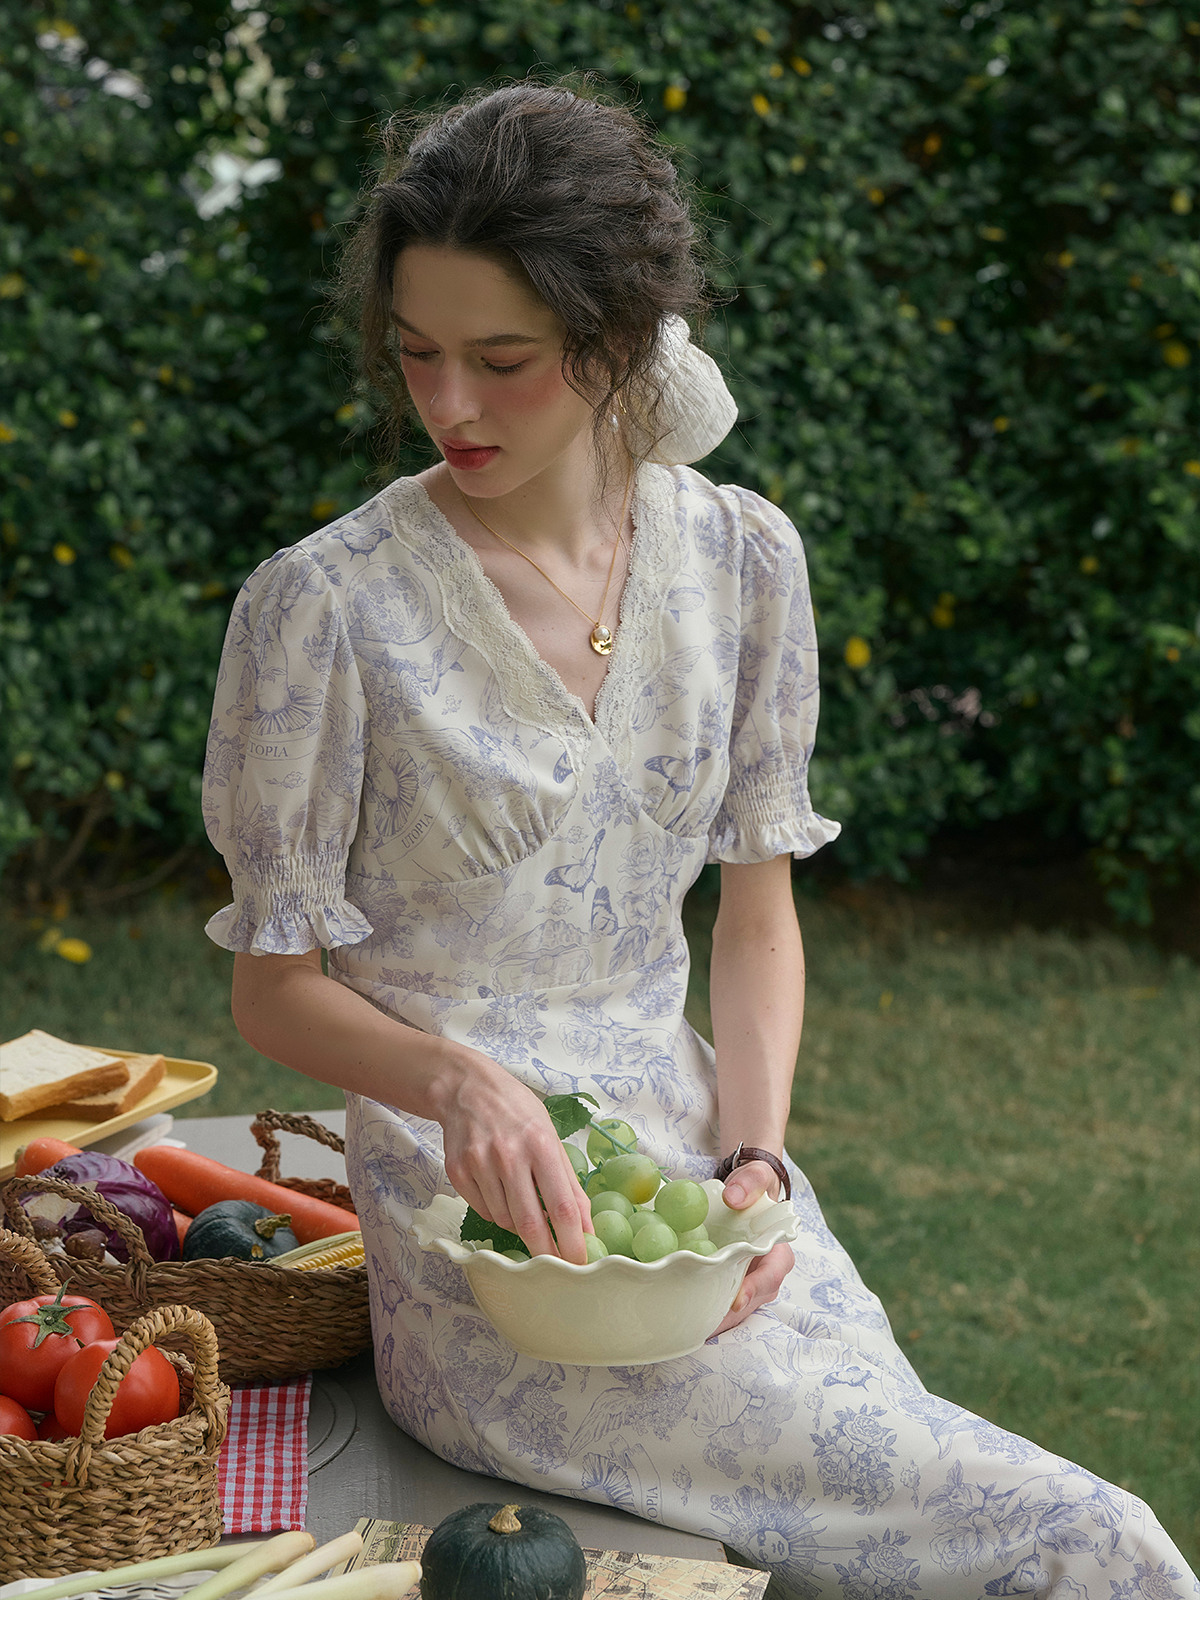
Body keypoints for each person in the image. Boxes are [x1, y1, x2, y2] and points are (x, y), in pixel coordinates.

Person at [202, 83, 1197, 1600]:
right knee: (1075, 1532)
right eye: (415, 353)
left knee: (913, 1517)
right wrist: (458, 1079)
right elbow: (273, 992)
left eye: (503, 360)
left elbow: (756, 919)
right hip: (484, 1254)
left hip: (702, 1184)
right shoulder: (326, 608)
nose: (450, 404)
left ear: (616, 341)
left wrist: (756, 1160)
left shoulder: (742, 561)